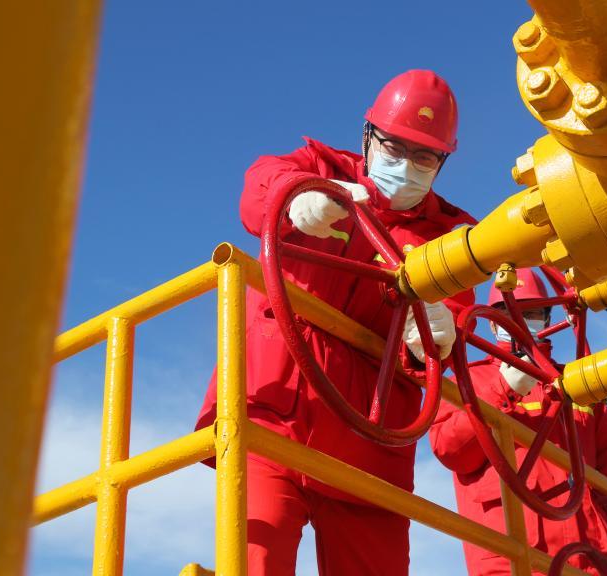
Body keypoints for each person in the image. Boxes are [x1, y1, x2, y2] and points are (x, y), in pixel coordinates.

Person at [196, 70, 476, 576]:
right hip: (273, 416)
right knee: (255, 561)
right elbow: (261, 183)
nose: (406, 166)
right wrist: (294, 195)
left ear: (443, 163)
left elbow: (450, 332)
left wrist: (439, 336)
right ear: (367, 136)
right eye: (394, 147)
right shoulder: (319, 171)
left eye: (424, 157)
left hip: (372, 450)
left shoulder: (451, 239)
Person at [430, 268, 607, 575]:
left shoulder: (579, 386)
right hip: (513, 562)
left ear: (546, 319)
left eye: (531, 312)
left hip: (593, 561)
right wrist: (504, 389)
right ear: (493, 323)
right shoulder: (467, 381)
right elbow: (451, 450)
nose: (520, 319)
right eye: (509, 311)